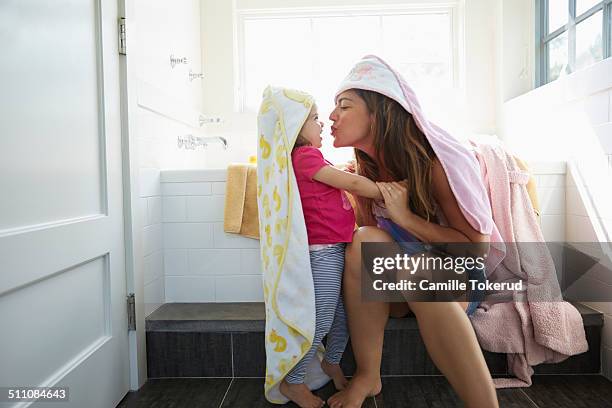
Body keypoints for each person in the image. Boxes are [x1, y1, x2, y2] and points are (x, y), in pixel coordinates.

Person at [325, 56, 500, 408]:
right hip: (403, 288)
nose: (331, 117)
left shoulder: (436, 162)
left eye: (344, 106)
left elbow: (475, 251)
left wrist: (406, 218)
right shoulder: (366, 169)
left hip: (455, 280)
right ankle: (367, 376)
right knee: (364, 242)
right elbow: (372, 261)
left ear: (379, 111)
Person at [262, 90, 384, 408]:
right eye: (315, 119)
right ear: (295, 126)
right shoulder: (304, 156)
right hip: (324, 252)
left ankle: (331, 362)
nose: (322, 124)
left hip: (337, 248)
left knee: (344, 318)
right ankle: (294, 382)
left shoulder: (313, 158)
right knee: (322, 320)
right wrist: (386, 191)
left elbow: (333, 182)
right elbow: (352, 185)